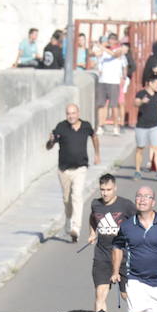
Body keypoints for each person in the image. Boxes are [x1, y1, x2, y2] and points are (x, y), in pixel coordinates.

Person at [46, 102, 101, 242]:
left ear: (78, 113)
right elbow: (49, 146)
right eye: (68, 114)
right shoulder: (61, 127)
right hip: (64, 170)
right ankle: (68, 221)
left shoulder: (86, 126)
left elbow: (94, 137)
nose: (71, 116)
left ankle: (76, 228)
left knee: (77, 196)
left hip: (80, 168)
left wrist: (97, 154)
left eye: (73, 113)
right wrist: (51, 140)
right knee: (67, 200)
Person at [87, 174, 136, 312]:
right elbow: (92, 218)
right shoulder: (95, 204)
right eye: (102, 189)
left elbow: (139, 221)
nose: (105, 193)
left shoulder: (126, 205)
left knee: (126, 295)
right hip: (102, 256)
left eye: (108, 189)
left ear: (115, 188)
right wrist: (92, 233)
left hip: (123, 256)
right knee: (100, 295)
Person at [132, 76, 157, 180]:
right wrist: (142, 102)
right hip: (142, 126)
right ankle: (137, 171)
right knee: (140, 148)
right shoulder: (141, 93)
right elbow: (135, 103)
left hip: (155, 126)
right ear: (150, 83)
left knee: (156, 148)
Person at [97, 36, 127, 135]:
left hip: (114, 82)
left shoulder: (120, 50)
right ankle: (100, 126)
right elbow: (95, 54)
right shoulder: (104, 51)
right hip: (103, 81)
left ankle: (115, 126)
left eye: (111, 40)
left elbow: (115, 55)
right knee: (102, 105)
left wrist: (103, 47)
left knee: (114, 106)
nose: (109, 42)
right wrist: (99, 48)